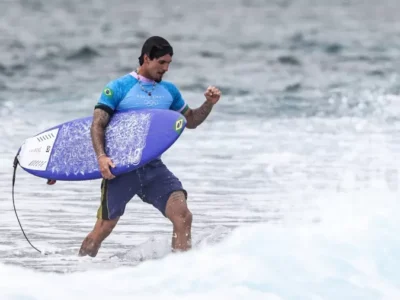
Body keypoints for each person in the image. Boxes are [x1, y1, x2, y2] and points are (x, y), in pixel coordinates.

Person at [78, 36, 221, 257]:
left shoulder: (169, 91)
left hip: (152, 167)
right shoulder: (118, 87)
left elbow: (190, 120)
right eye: (161, 63)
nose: (166, 68)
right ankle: (77, 270)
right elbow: (98, 124)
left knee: (183, 215)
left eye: (169, 63)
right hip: (121, 169)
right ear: (147, 58)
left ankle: (182, 272)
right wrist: (101, 157)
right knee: (103, 229)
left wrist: (208, 104)